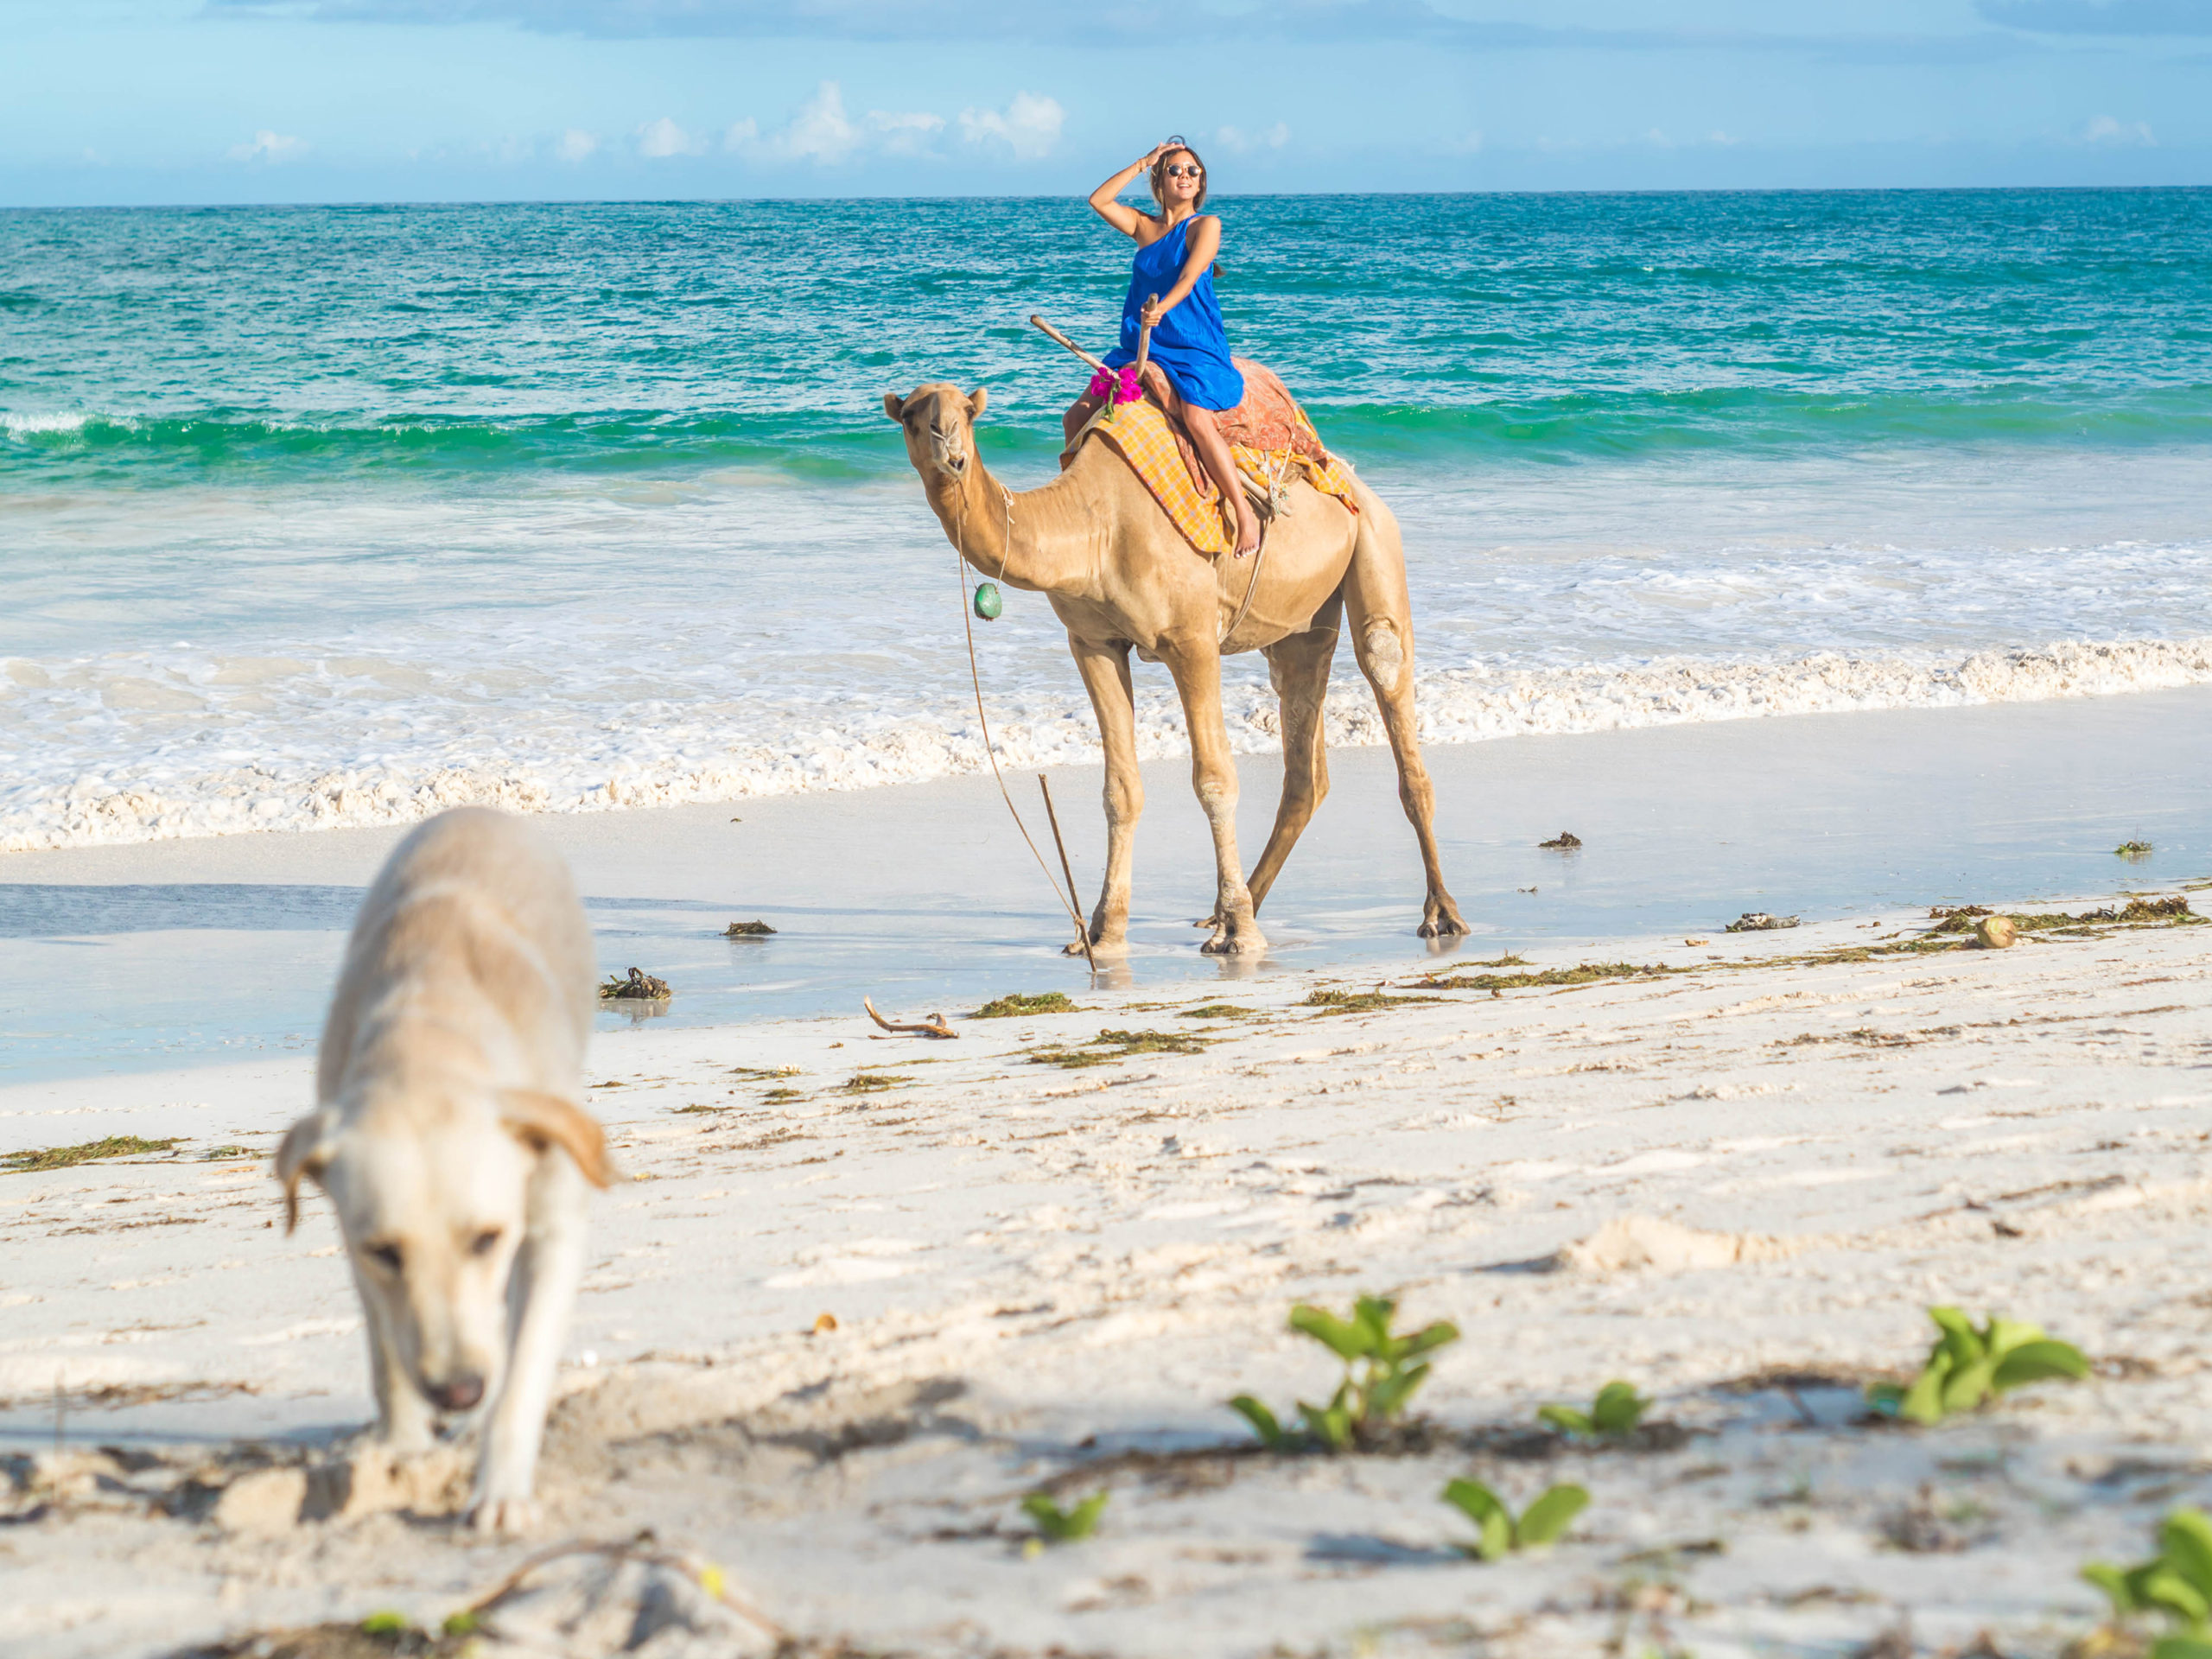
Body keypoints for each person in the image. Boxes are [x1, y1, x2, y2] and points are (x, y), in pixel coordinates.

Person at [1084, 139, 1260, 556]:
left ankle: (1243, 512)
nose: (1185, 176)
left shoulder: (1206, 225)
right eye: (1175, 170)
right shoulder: (1144, 228)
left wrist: (1161, 307)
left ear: (1200, 185)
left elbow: (1190, 275)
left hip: (1193, 345)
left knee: (1196, 417)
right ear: (1159, 181)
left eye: (1193, 171)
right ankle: (1089, 512)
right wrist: (1145, 159)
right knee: (1075, 418)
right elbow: (1099, 199)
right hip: (1142, 344)